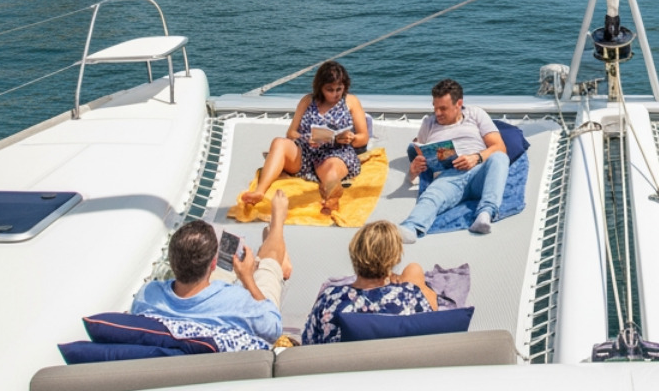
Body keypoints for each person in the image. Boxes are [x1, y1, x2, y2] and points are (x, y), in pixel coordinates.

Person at [132, 191, 291, 345]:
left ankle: (270, 253)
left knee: (224, 273)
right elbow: (273, 326)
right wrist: (247, 278)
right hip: (229, 301)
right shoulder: (237, 303)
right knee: (267, 270)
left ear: (172, 263)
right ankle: (277, 225)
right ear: (213, 264)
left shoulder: (147, 296)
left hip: (198, 313)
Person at [241, 61, 369, 214]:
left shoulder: (351, 101)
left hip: (337, 153)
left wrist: (350, 138)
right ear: (320, 88)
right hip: (307, 151)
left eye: (339, 89)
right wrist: (306, 138)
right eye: (330, 90)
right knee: (279, 142)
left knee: (332, 170)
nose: (335, 94)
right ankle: (259, 191)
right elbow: (291, 133)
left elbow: (364, 137)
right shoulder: (307, 101)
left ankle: (331, 200)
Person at [399, 78, 508, 242]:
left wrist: (476, 158)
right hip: (449, 176)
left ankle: (485, 214)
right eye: (435, 108)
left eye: (443, 108)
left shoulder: (475, 114)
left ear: (459, 104)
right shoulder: (428, 123)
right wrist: (413, 171)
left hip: (479, 170)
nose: (437, 113)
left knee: (499, 158)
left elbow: (500, 147)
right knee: (431, 195)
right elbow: (420, 154)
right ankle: (411, 227)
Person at [302, 220, 438, 344]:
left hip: (340, 368)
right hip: (396, 367)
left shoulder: (329, 298)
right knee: (415, 271)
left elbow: (308, 343)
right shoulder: (409, 296)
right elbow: (430, 334)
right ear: (394, 259)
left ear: (354, 253)